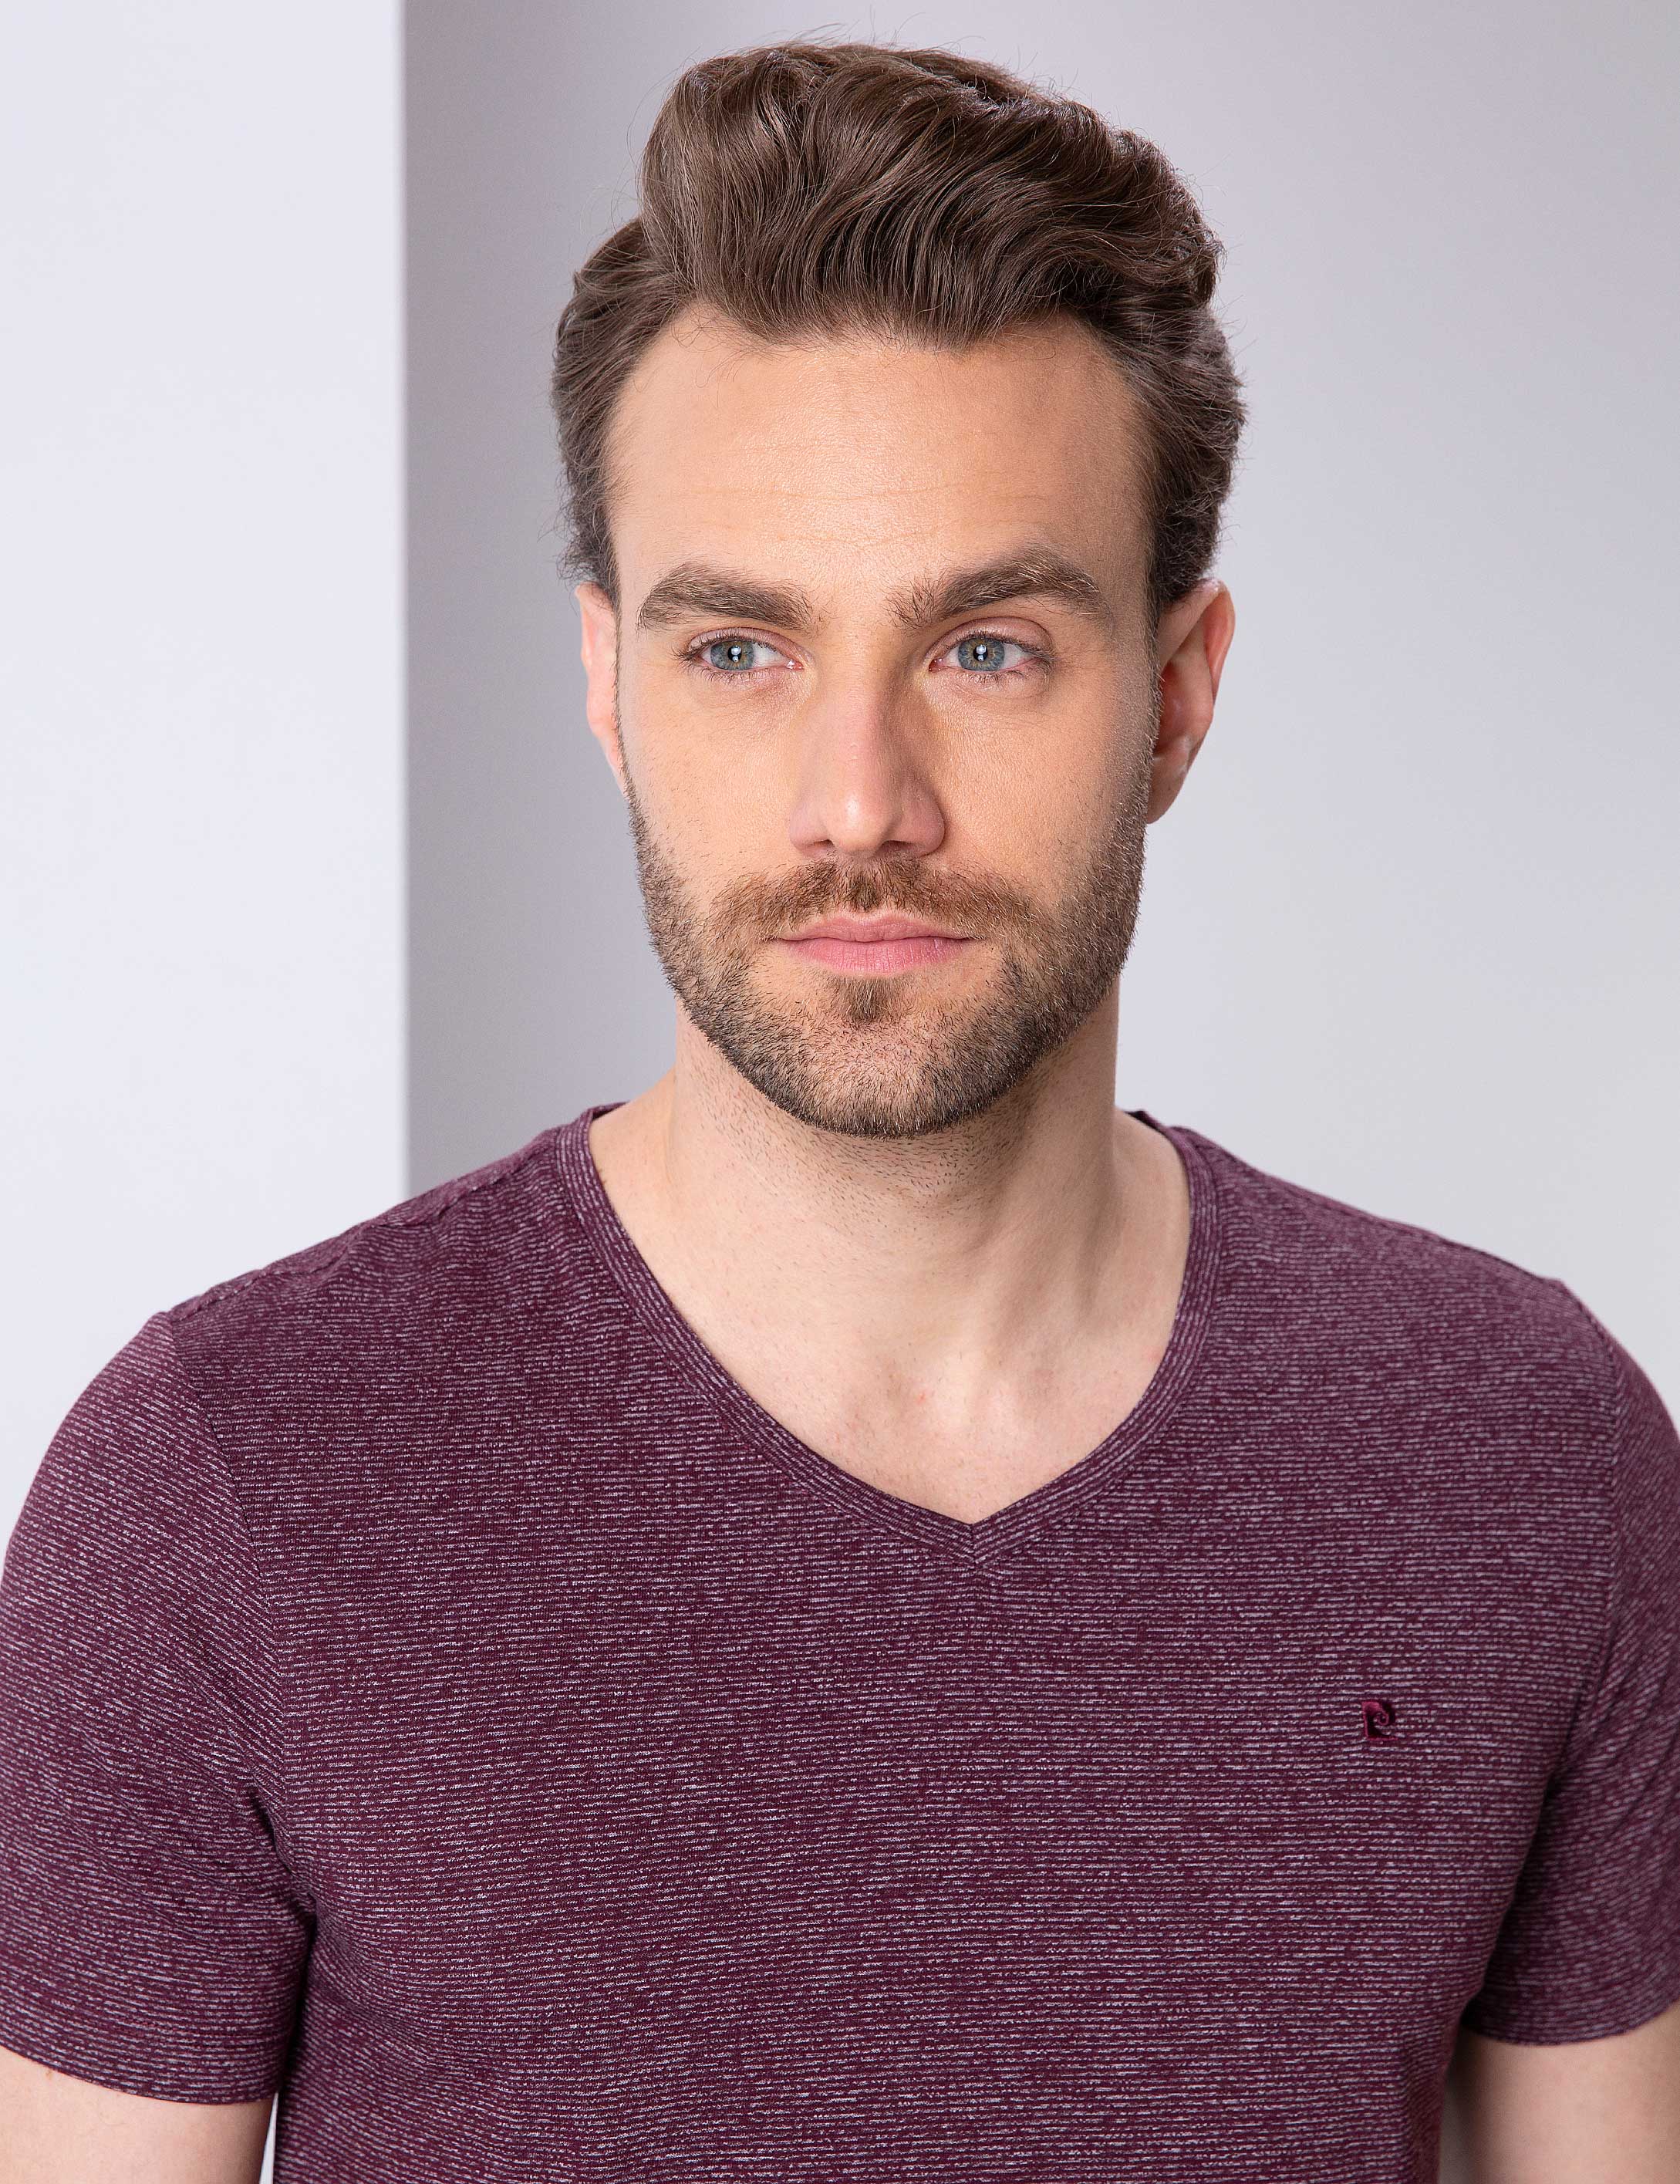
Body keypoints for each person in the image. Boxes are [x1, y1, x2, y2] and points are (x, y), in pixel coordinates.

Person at [2, 39, 1675, 2184]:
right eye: (740, 649)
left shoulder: (1524, 1457)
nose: (858, 804)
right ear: (607, 682)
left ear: (1176, 696)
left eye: (985, 646)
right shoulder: (228, 1475)